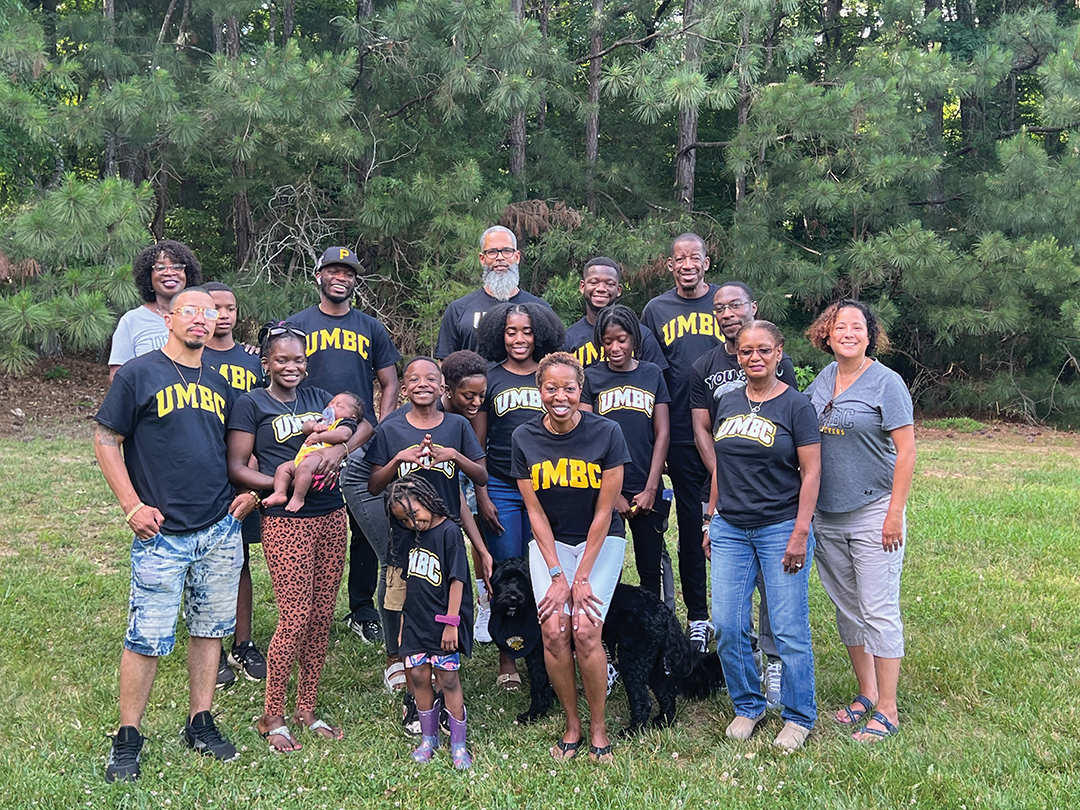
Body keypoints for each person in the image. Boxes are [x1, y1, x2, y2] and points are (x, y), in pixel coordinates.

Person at [95, 287, 256, 782]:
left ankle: (200, 721)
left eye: (209, 315)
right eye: (191, 312)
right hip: (161, 530)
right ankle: (128, 737)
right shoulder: (141, 374)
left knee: (210, 629)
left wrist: (247, 491)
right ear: (169, 319)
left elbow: (241, 446)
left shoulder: (224, 381)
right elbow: (105, 439)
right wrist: (131, 506)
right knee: (146, 636)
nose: (201, 321)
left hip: (218, 528)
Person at [226, 323, 368, 753]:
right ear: (266, 362)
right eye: (282, 360)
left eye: (299, 360)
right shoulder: (251, 403)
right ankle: (272, 713)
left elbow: (364, 426)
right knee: (295, 616)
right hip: (288, 521)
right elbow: (236, 466)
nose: (292, 367)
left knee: (323, 615)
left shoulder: (317, 399)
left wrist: (338, 451)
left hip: (331, 516)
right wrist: (280, 482)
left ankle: (307, 706)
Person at [703, 320, 820, 752]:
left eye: (764, 350)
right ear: (738, 357)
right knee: (729, 625)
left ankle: (799, 715)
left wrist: (800, 532)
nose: (755, 357)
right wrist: (709, 518)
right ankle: (749, 704)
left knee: (788, 628)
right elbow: (722, 463)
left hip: (779, 528)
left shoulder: (796, 406)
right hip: (730, 528)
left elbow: (812, 473)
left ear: (779, 353)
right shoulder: (729, 401)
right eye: (747, 351)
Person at [512, 352, 632, 763]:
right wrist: (557, 573)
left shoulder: (608, 432)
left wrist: (579, 577)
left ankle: (599, 728)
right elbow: (534, 512)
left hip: (600, 541)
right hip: (552, 543)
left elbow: (606, 510)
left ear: (581, 391)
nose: (560, 395)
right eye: (551, 387)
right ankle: (572, 725)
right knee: (553, 629)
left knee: (584, 629)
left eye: (568, 388)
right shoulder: (524, 438)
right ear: (539, 390)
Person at [805, 299, 915, 743]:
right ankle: (867, 692)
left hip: (873, 510)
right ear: (826, 335)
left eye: (856, 326)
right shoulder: (823, 379)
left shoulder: (886, 384)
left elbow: (906, 452)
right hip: (827, 515)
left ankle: (887, 709)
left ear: (869, 335)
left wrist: (893, 514)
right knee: (848, 608)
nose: (847, 333)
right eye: (839, 326)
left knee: (878, 610)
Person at [689, 281, 799, 707]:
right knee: (731, 593)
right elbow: (702, 428)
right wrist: (724, 478)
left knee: (775, 586)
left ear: (752, 307)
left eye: (736, 305)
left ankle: (774, 661)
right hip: (721, 489)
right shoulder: (704, 367)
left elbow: (791, 426)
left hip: (773, 496)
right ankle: (746, 662)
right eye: (720, 307)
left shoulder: (777, 362)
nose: (728, 312)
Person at [367, 356, 492, 722]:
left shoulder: (457, 427)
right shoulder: (391, 430)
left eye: (430, 378)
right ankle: (415, 696)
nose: (422, 383)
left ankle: (447, 686)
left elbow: (480, 477)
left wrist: (453, 455)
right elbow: (375, 485)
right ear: (403, 388)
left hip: (445, 543)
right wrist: (398, 460)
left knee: (444, 608)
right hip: (404, 543)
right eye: (413, 378)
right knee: (407, 614)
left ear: (442, 387)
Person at [288, 246, 402, 645]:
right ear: (318, 275)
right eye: (333, 270)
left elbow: (390, 383)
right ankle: (304, 609)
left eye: (349, 272)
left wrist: (383, 428)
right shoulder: (297, 324)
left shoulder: (370, 326)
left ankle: (362, 608)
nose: (342, 277)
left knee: (365, 526)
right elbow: (277, 371)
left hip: (362, 437)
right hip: (310, 437)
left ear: (355, 280)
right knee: (309, 521)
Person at [474, 302, 566, 690]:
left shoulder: (550, 376)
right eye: (511, 332)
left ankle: (547, 650)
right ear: (500, 334)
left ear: (538, 333)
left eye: (526, 331)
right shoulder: (490, 378)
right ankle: (507, 655)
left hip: (546, 486)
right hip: (500, 486)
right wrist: (481, 494)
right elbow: (477, 442)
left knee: (545, 569)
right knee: (506, 570)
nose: (519, 339)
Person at [640, 233, 723, 652]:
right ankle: (699, 616)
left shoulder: (724, 302)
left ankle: (737, 616)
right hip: (683, 433)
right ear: (670, 265)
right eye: (679, 258)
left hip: (733, 428)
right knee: (692, 526)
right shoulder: (656, 310)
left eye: (695, 257)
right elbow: (653, 374)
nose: (688, 263)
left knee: (730, 523)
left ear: (706, 262)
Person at [580, 304, 671, 599]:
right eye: (607, 342)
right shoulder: (591, 378)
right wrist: (610, 493)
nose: (615, 347)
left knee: (649, 571)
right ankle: (605, 636)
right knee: (607, 572)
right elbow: (584, 438)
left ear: (634, 338)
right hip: (604, 488)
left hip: (646, 483)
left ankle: (654, 637)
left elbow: (663, 433)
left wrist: (651, 488)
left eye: (621, 339)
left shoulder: (652, 373)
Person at [384, 475, 474, 769]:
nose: (413, 523)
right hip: (414, 623)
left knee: (447, 678)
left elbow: (458, 579)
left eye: (415, 514)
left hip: (442, 623)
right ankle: (428, 738)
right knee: (420, 677)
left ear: (427, 500)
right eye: (404, 520)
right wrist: (400, 629)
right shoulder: (410, 537)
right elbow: (405, 587)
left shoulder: (449, 532)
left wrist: (451, 622)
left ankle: (458, 744)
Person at [202, 281, 267, 688]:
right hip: (205, 466)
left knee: (240, 556)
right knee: (206, 562)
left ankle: (243, 642)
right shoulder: (192, 356)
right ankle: (214, 646)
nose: (223, 315)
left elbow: (265, 411)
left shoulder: (252, 361)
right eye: (215, 308)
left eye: (230, 308)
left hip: (244, 466)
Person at [435, 225, 551, 358]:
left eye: (507, 251)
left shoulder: (541, 309)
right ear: (482, 259)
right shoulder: (458, 310)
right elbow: (445, 363)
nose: (500, 257)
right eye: (492, 252)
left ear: (517, 257)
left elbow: (552, 363)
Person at [108, 240, 203, 382]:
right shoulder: (132, 320)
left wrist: (247, 351)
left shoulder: (203, 317)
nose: (169, 272)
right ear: (148, 277)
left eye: (177, 267)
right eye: (160, 268)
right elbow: (118, 375)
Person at [262, 392, 362, 512]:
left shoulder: (345, 422)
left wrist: (320, 436)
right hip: (304, 457)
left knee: (304, 468)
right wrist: (314, 426)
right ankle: (279, 493)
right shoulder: (323, 421)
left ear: (353, 416)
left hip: (321, 457)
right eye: (331, 403)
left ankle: (298, 498)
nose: (332, 407)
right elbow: (305, 427)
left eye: (339, 406)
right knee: (283, 468)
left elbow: (343, 435)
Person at [562, 257, 667, 370]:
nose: (601, 288)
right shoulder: (569, 339)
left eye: (609, 284)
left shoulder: (641, 335)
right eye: (594, 282)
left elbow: (656, 379)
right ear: (582, 286)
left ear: (619, 290)